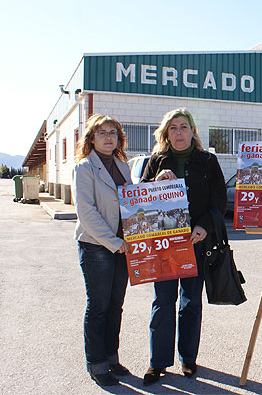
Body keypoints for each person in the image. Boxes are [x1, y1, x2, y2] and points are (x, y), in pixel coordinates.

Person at [140, 107, 227, 385]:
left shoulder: (207, 161)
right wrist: (154, 183)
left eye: (184, 127)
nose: (179, 133)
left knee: (190, 303)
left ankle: (188, 359)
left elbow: (219, 201)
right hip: (164, 245)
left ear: (193, 131)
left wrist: (205, 227)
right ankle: (158, 362)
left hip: (196, 242)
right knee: (163, 302)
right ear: (167, 133)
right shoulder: (156, 161)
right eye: (173, 128)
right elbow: (140, 200)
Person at [72, 114, 132, 387]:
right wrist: (114, 242)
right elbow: (86, 213)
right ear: (92, 138)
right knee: (98, 307)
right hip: (97, 246)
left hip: (123, 247)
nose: (109, 137)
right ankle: (96, 364)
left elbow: (134, 200)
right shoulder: (84, 168)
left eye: (113, 132)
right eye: (102, 132)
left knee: (115, 306)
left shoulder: (122, 165)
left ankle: (111, 357)